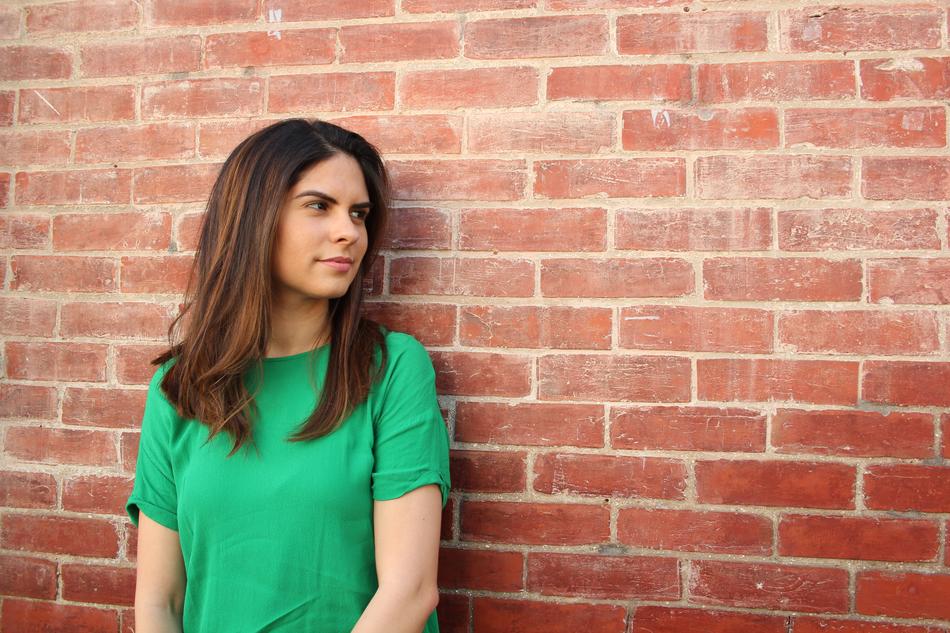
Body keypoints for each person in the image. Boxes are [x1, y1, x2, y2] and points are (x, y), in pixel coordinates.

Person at [125, 119, 451, 633]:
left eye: (359, 214)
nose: (349, 232)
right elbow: (159, 602)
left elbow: (409, 592)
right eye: (319, 205)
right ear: (254, 217)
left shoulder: (390, 369)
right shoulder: (182, 386)